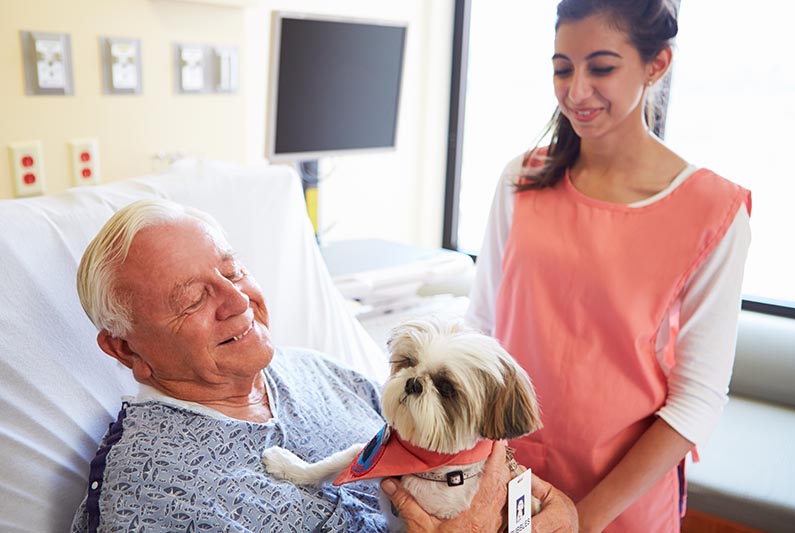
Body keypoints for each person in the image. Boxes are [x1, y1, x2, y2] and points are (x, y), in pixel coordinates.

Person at [71, 198, 578, 532]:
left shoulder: (321, 373)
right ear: (127, 351)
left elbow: (541, 502)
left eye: (233, 271)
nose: (237, 301)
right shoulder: (153, 493)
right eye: (192, 299)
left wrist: (559, 518)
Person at [466, 1, 751, 532]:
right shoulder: (521, 180)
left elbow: (698, 399)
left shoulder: (714, 213)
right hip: (508, 481)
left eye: (601, 68)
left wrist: (582, 518)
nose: (576, 91)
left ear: (656, 64)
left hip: (622, 503)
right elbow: (480, 329)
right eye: (562, 68)